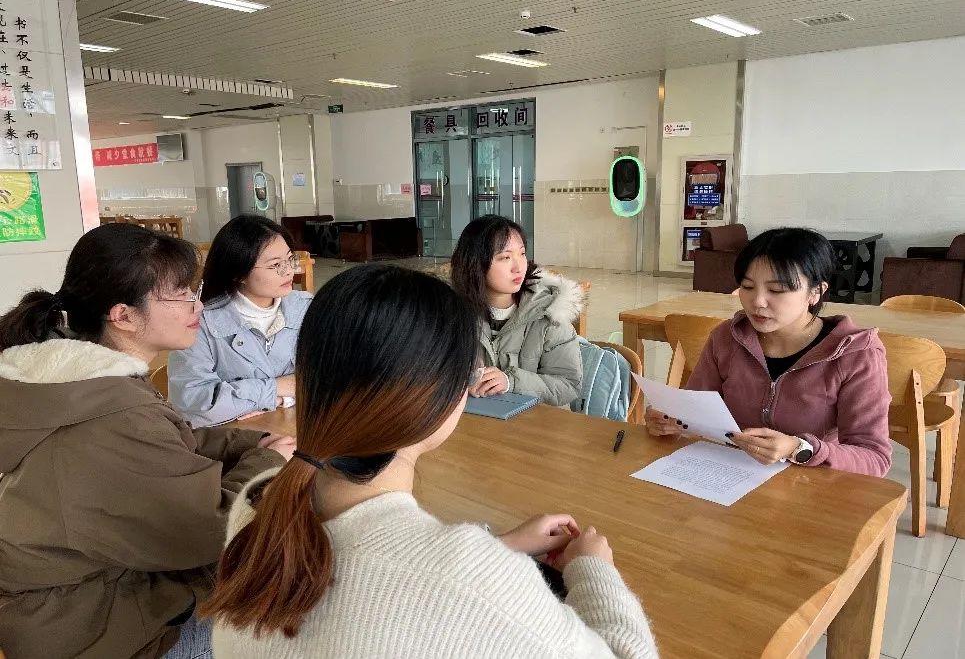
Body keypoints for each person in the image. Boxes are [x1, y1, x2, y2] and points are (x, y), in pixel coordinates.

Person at [201, 264, 657, 658]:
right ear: (436, 401)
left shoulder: (260, 500)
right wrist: (593, 570)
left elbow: (393, 577)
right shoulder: (471, 578)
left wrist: (499, 548)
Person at [0, 223, 294, 659]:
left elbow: (171, 440)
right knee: (286, 608)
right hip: (97, 631)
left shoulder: (74, 379)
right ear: (123, 316)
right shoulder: (117, 414)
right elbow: (212, 531)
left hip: (70, 603)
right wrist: (266, 465)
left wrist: (249, 444)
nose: (197, 305)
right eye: (180, 295)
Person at [647, 227, 891, 477]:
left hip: (811, 482)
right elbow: (694, 409)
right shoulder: (726, 337)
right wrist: (670, 420)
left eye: (776, 290)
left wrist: (799, 449)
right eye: (747, 286)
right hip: (728, 474)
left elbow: (874, 458)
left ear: (816, 292)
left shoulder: (856, 354)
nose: (758, 302)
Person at [168, 215, 312, 427]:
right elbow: (194, 405)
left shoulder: (309, 308)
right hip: (233, 437)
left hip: (302, 428)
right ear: (239, 273)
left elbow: (339, 377)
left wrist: (278, 399)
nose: (289, 270)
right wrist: (277, 389)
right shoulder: (198, 323)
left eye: (290, 259)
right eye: (275, 265)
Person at [450, 215, 583, 407]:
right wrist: (463, 380)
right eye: (505, 257)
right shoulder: (451, 313)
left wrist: (510, 382)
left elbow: (568, 386)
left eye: (522, 254)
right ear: (475, 263)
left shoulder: (549, 313)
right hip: (475, 418)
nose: (519, 267)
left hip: (538, 420)